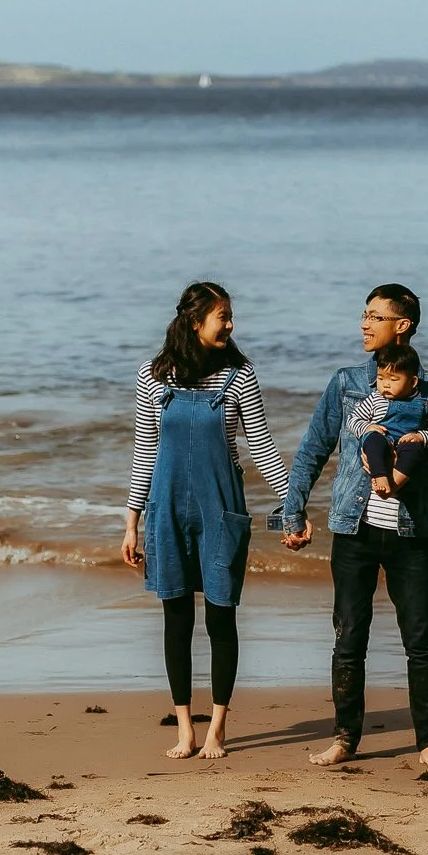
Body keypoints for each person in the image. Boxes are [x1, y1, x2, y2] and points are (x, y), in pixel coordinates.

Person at [276, 284, 428, 772]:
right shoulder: (346, 383)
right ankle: (344, 738)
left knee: (420, 639)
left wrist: (409, 461)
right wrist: (293, 512)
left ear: (403, 325)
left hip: (410, 532)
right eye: (364, 314)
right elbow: (313, 450)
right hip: (353, 529)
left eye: (375, 316)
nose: (364, 324)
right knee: (349, 636)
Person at [122, 282, 289, 760]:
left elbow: (260, 446)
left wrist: (290, 506)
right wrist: (132, 521)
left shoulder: (239, 376)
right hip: (167, 507)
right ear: (196, 322)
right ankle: (184, 728)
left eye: (231, 315)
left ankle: (216, 727)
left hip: (221, 509)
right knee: (176, 616)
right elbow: (145, 453)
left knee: (221, 615)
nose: (231, 325)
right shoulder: (153, 377)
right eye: (223, 316)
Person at [350, 342, 428, 499]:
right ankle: (380, 476)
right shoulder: (375, 398)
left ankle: (394, 483)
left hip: (405, 443)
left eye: (393, 379)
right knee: (373, 441)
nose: (385, 385)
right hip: (381, 439)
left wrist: (420, 437)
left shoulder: (426, 402)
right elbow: (353, 419)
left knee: (414, 450)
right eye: (381, 378)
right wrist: (367, 427)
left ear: (412, 382)